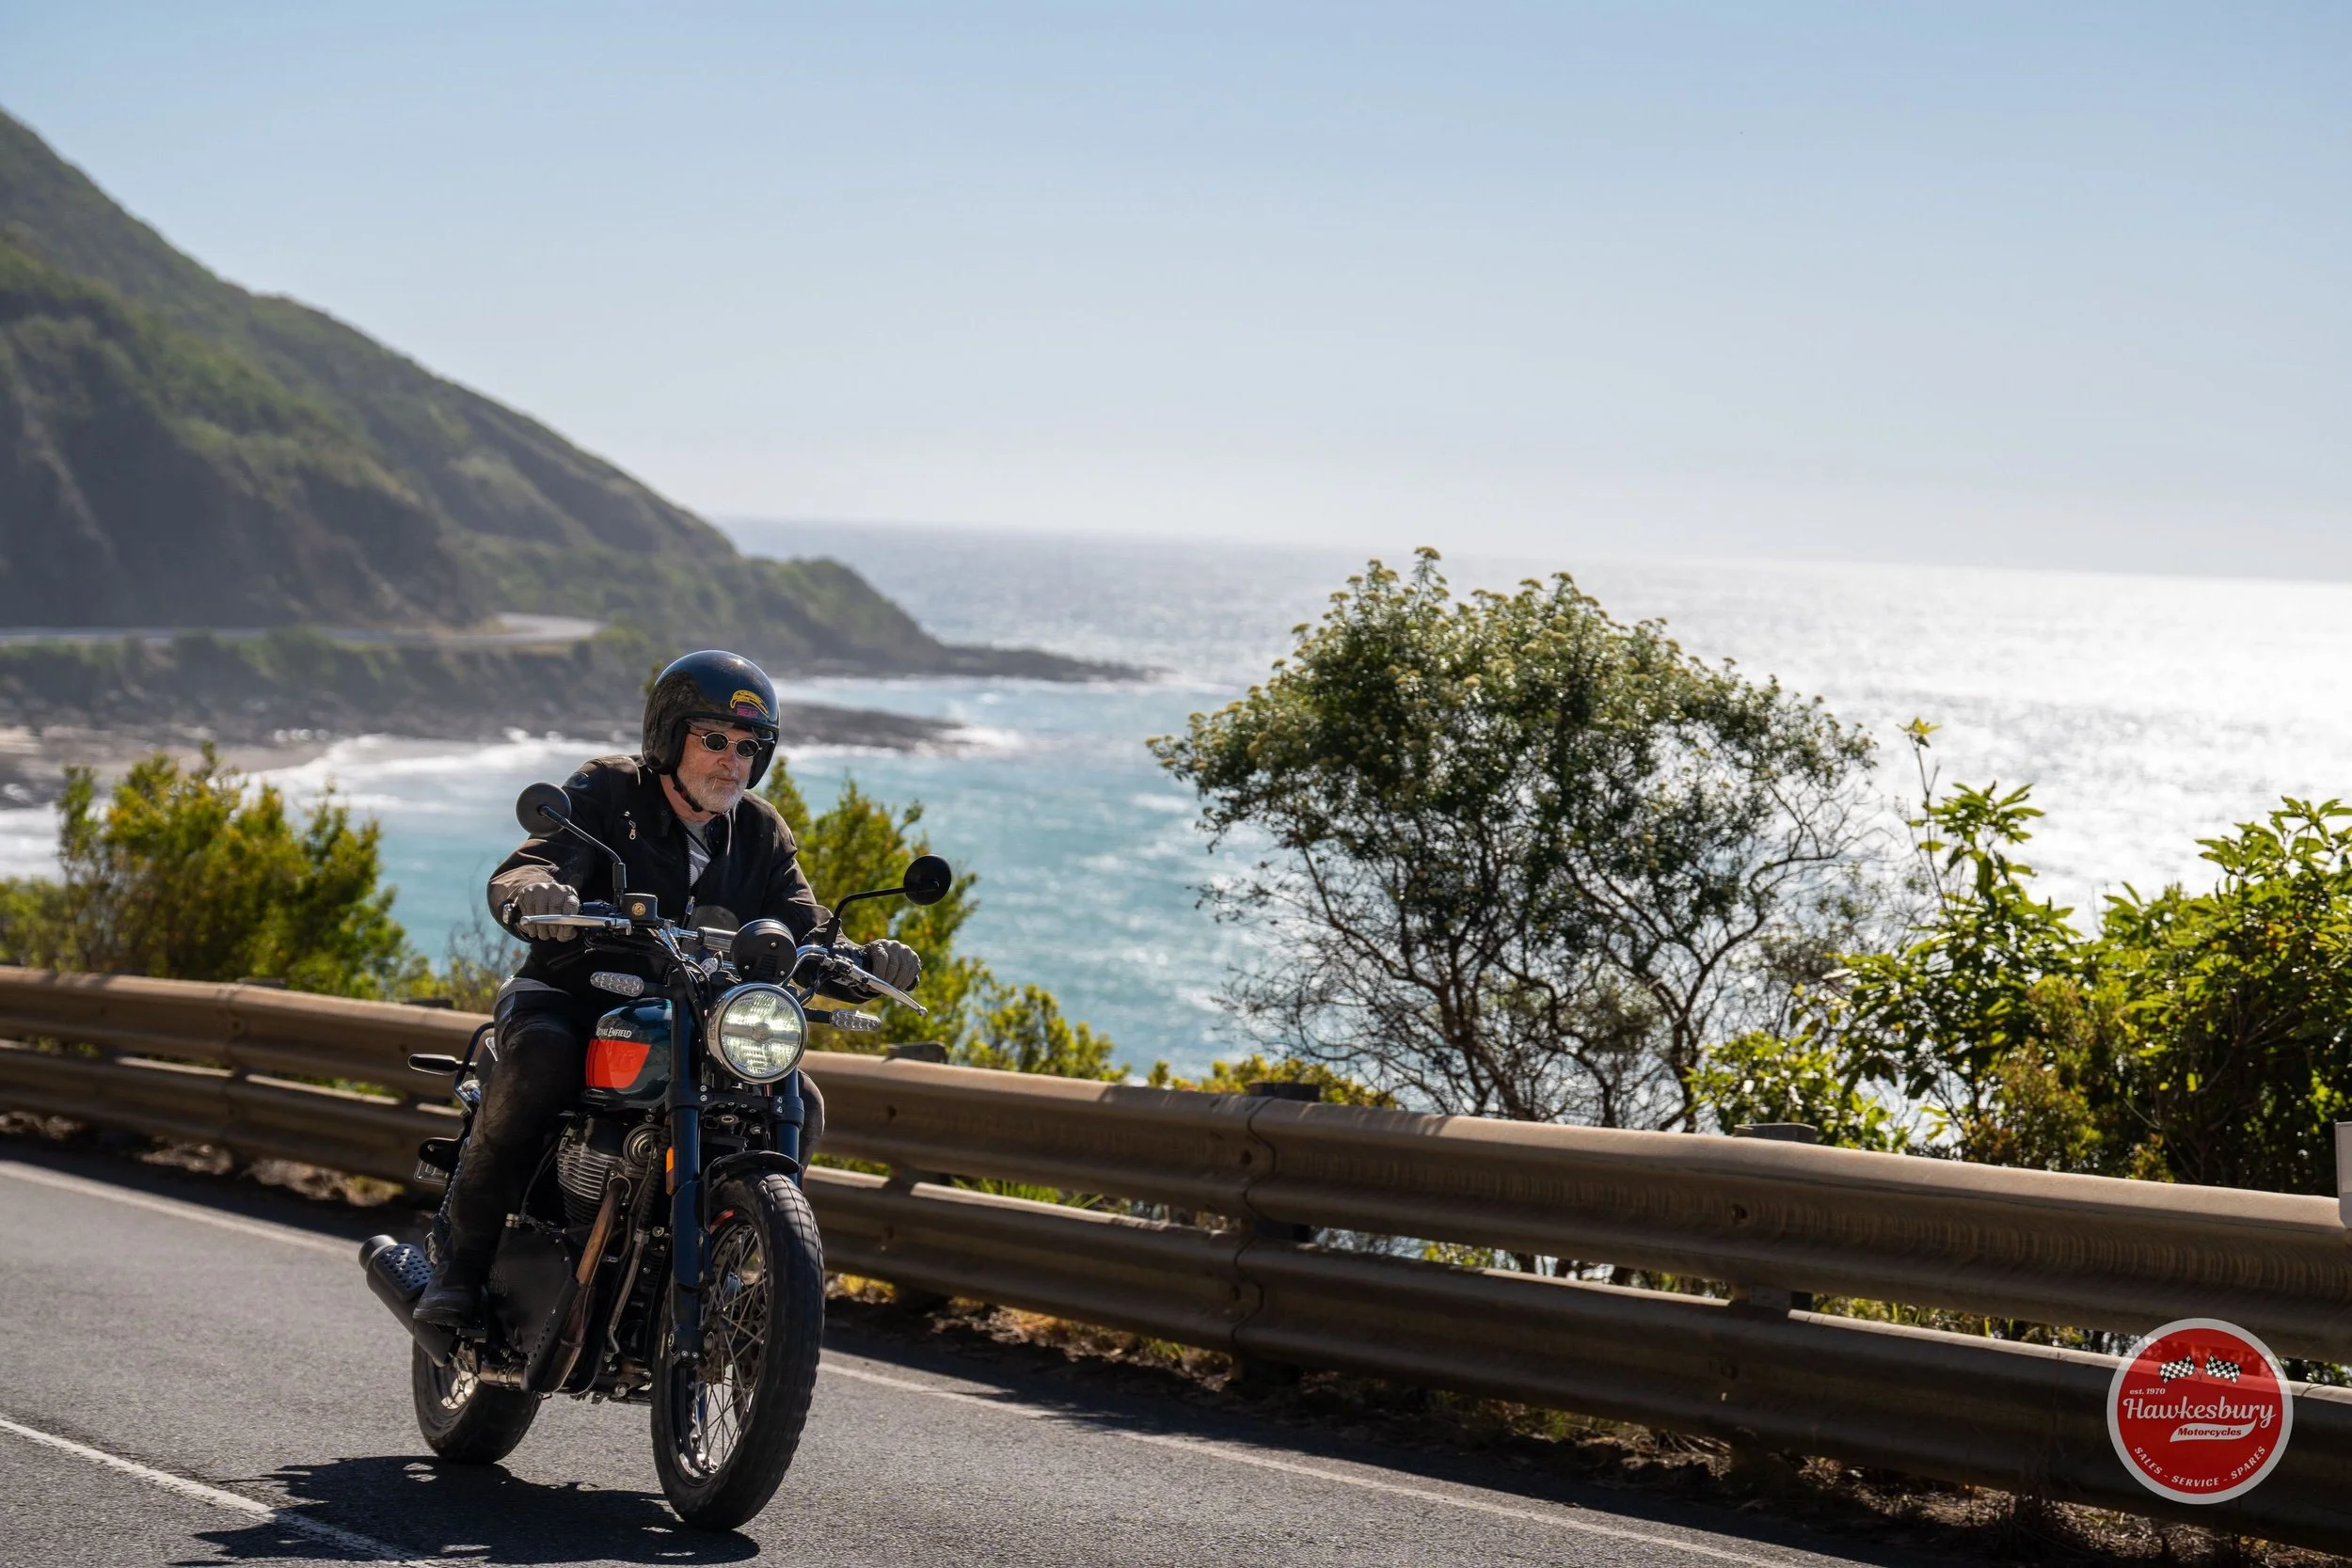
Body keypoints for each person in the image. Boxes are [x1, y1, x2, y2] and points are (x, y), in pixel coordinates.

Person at [415, 649, 920, 1330]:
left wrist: (866, 961)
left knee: (799, 1097)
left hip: (693, 1017)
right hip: (574, 996)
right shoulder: (606, 791)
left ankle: (741, 1262)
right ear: (669, 736)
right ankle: (462, 1267)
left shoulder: (761, 832)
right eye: (714, 740)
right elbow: (530, 865)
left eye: (748, 747)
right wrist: (533, 893)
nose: (732, 761)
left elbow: (807, 930)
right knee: (540, 1061)